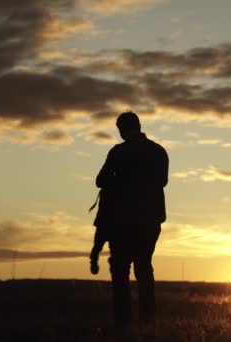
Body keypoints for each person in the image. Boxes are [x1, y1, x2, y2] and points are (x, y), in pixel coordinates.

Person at [96, 111, 168, 326]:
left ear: (122, 129)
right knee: (144, 267)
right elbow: (162, 181)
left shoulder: (118, 152)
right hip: (151, 220)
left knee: (120, 270)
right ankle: (148, 319)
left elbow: (100, 181)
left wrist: (120, 183)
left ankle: (123, 321)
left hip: (123, 220)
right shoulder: (158, 151)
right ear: (138, 125)